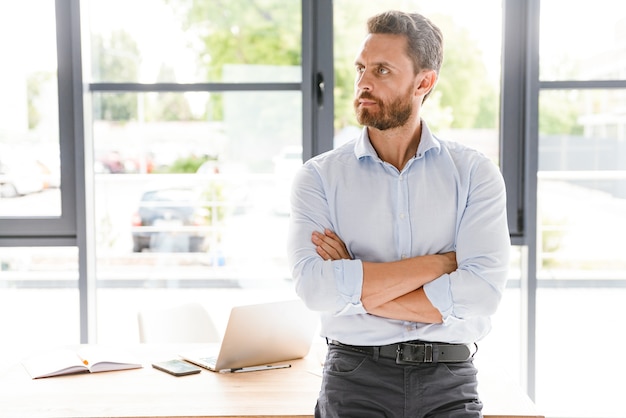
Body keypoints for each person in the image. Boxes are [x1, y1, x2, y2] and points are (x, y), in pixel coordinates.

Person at [287, 10, 511, 417]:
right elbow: (316, 290)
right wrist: (440, 264)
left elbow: (482, 292)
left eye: (382, 70)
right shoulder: (319, 177)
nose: (363, 83)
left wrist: (353, 282)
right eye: (361, 68)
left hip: (450, 377)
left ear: (423, 82)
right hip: (354, 376)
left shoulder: (474, 173)